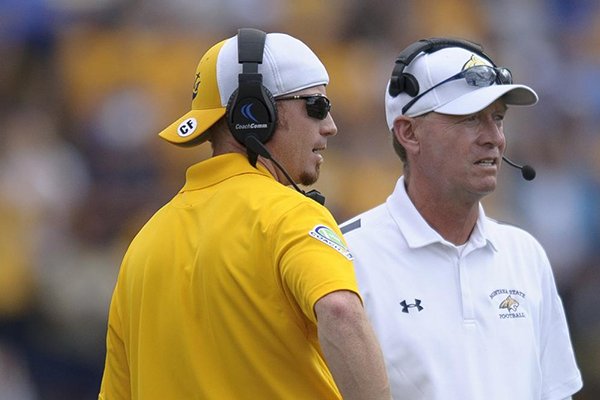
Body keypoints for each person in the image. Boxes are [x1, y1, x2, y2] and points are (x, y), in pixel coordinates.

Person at [98, 29, 391, 400]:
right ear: (255, 113)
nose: (330, 124)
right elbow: (340, 310)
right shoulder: (290, 216)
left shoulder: (141, 246)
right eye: (316, 106)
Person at [340, 38, 583, 400]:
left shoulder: (525, 254)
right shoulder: (346, 256)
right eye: (471, 118)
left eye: (497, 118)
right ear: (408, 132)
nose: (495, 138)